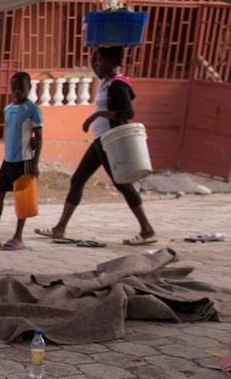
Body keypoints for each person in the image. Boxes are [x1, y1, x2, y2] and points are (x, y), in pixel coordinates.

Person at [36, 46, 156, 246]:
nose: (96, 63)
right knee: (77, 180)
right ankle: (60, 228)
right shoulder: (106, 82)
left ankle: (146, 228)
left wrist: (97, 115)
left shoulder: (118, 85)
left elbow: (127, 113)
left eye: (100, 60)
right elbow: (96, 66)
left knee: (122, 183)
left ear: (111, 61)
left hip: (111, 141)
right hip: (100, 141)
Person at [0, 72, 43, 250]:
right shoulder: (8, 109)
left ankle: (18, 236)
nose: (17, 92)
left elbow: (38, 138)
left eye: (21, 89)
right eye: (14, 88)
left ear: (29, 89)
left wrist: (35, 163)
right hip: (8, 160)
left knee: (22, 198)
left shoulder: (32, 109)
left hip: (24, 160)